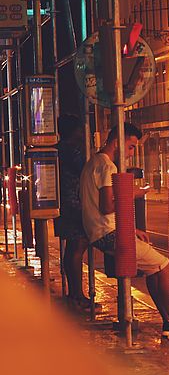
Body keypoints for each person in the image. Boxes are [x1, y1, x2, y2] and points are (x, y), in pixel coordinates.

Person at [80, 122, 169, 342]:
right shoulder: (108, 167)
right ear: (117, 143)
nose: (131, 152)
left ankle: (168, 322)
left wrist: (132, 229)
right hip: (108, 234)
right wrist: (134, 193)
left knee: (153, 269)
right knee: (164, 265)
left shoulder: (92, 163)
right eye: (131, 147)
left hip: (100, 231)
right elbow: (107, 206)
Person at [55, 114, 96, 310]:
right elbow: (86, 169)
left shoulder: (59, 149)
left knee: (72, 247)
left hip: (64, 202)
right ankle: (78, 294)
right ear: (74, 131)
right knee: (78, 245)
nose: (82, 133)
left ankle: (74, 292)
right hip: (74, 203)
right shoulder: (72, 150)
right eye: (80, 129)